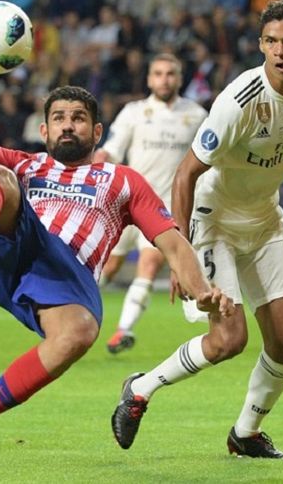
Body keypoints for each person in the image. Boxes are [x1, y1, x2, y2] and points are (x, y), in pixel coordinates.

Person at [0, 55, 234, 474]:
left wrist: (203, 294)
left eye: (77, 118)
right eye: (58, 118)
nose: (67, 125)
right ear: (44, 130)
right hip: (12, 247)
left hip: (65, 273)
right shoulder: (28, 164)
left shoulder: (124, 181)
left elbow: (172, 242)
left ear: (96, 131)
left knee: (78, 334)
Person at [110, 0, 283, 460]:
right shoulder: (238, 100)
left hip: (264, 219)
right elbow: (186, 174)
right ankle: (140, 389)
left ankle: (244, 434)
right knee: (229, 339)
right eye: (271, 42)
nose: (280, 51)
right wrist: (179, 254)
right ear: (261, 46)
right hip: (214, 220)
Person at [94, 53, 208, 354]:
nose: (164, 79)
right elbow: (112, 150)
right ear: (149, 79)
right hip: (124, 201)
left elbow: (209, 162)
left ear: (180, 78)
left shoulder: (196, 115)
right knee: (110, 266)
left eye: (170, 73)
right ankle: (74, 313)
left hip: (162, 208)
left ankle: (123, 330)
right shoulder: (133, 112)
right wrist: (97, 162)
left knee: (148, 263)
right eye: (158, 73)